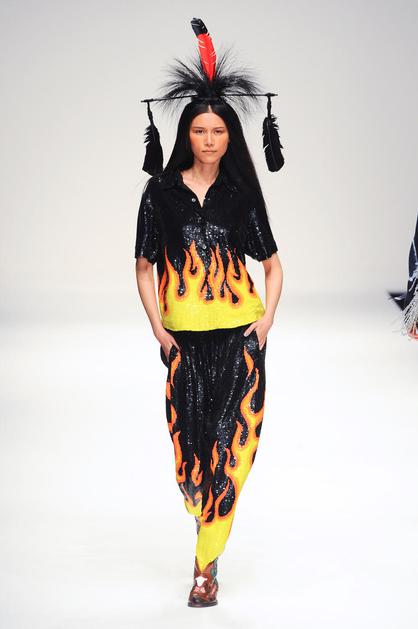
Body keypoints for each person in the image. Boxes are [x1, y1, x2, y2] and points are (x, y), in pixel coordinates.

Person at [134, 18, 284, 607]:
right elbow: (143, 266)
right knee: (191, 463)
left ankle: (205, 569)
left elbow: (272, 266)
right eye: (200, 130)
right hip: (184, 344)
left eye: (219, 130)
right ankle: (206, 536)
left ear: (231, 136)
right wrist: (159, 330)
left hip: (238, 339)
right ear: (186, 134)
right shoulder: (161, 193)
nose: (210, 139)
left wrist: (263, 324)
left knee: (233, 452)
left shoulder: (241, 196)